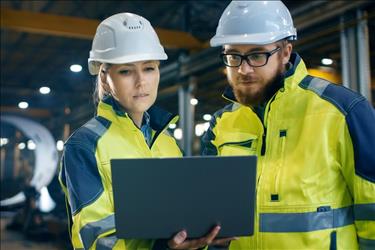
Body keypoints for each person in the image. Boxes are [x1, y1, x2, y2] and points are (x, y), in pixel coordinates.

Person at [202, 1, 375, 249]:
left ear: (285, 52)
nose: (243, 69)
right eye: (233, 56)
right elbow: (211, 220)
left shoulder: (343, 111)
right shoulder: (221, 124)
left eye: (257, 55)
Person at [59, 12, 232, 250]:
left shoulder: (167, 141)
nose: (142, 82)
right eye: (126, 71)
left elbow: (183, 219)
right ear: (104, 76)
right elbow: (96, 240)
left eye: (149, 68)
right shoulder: (84, 145)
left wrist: (203, 238)